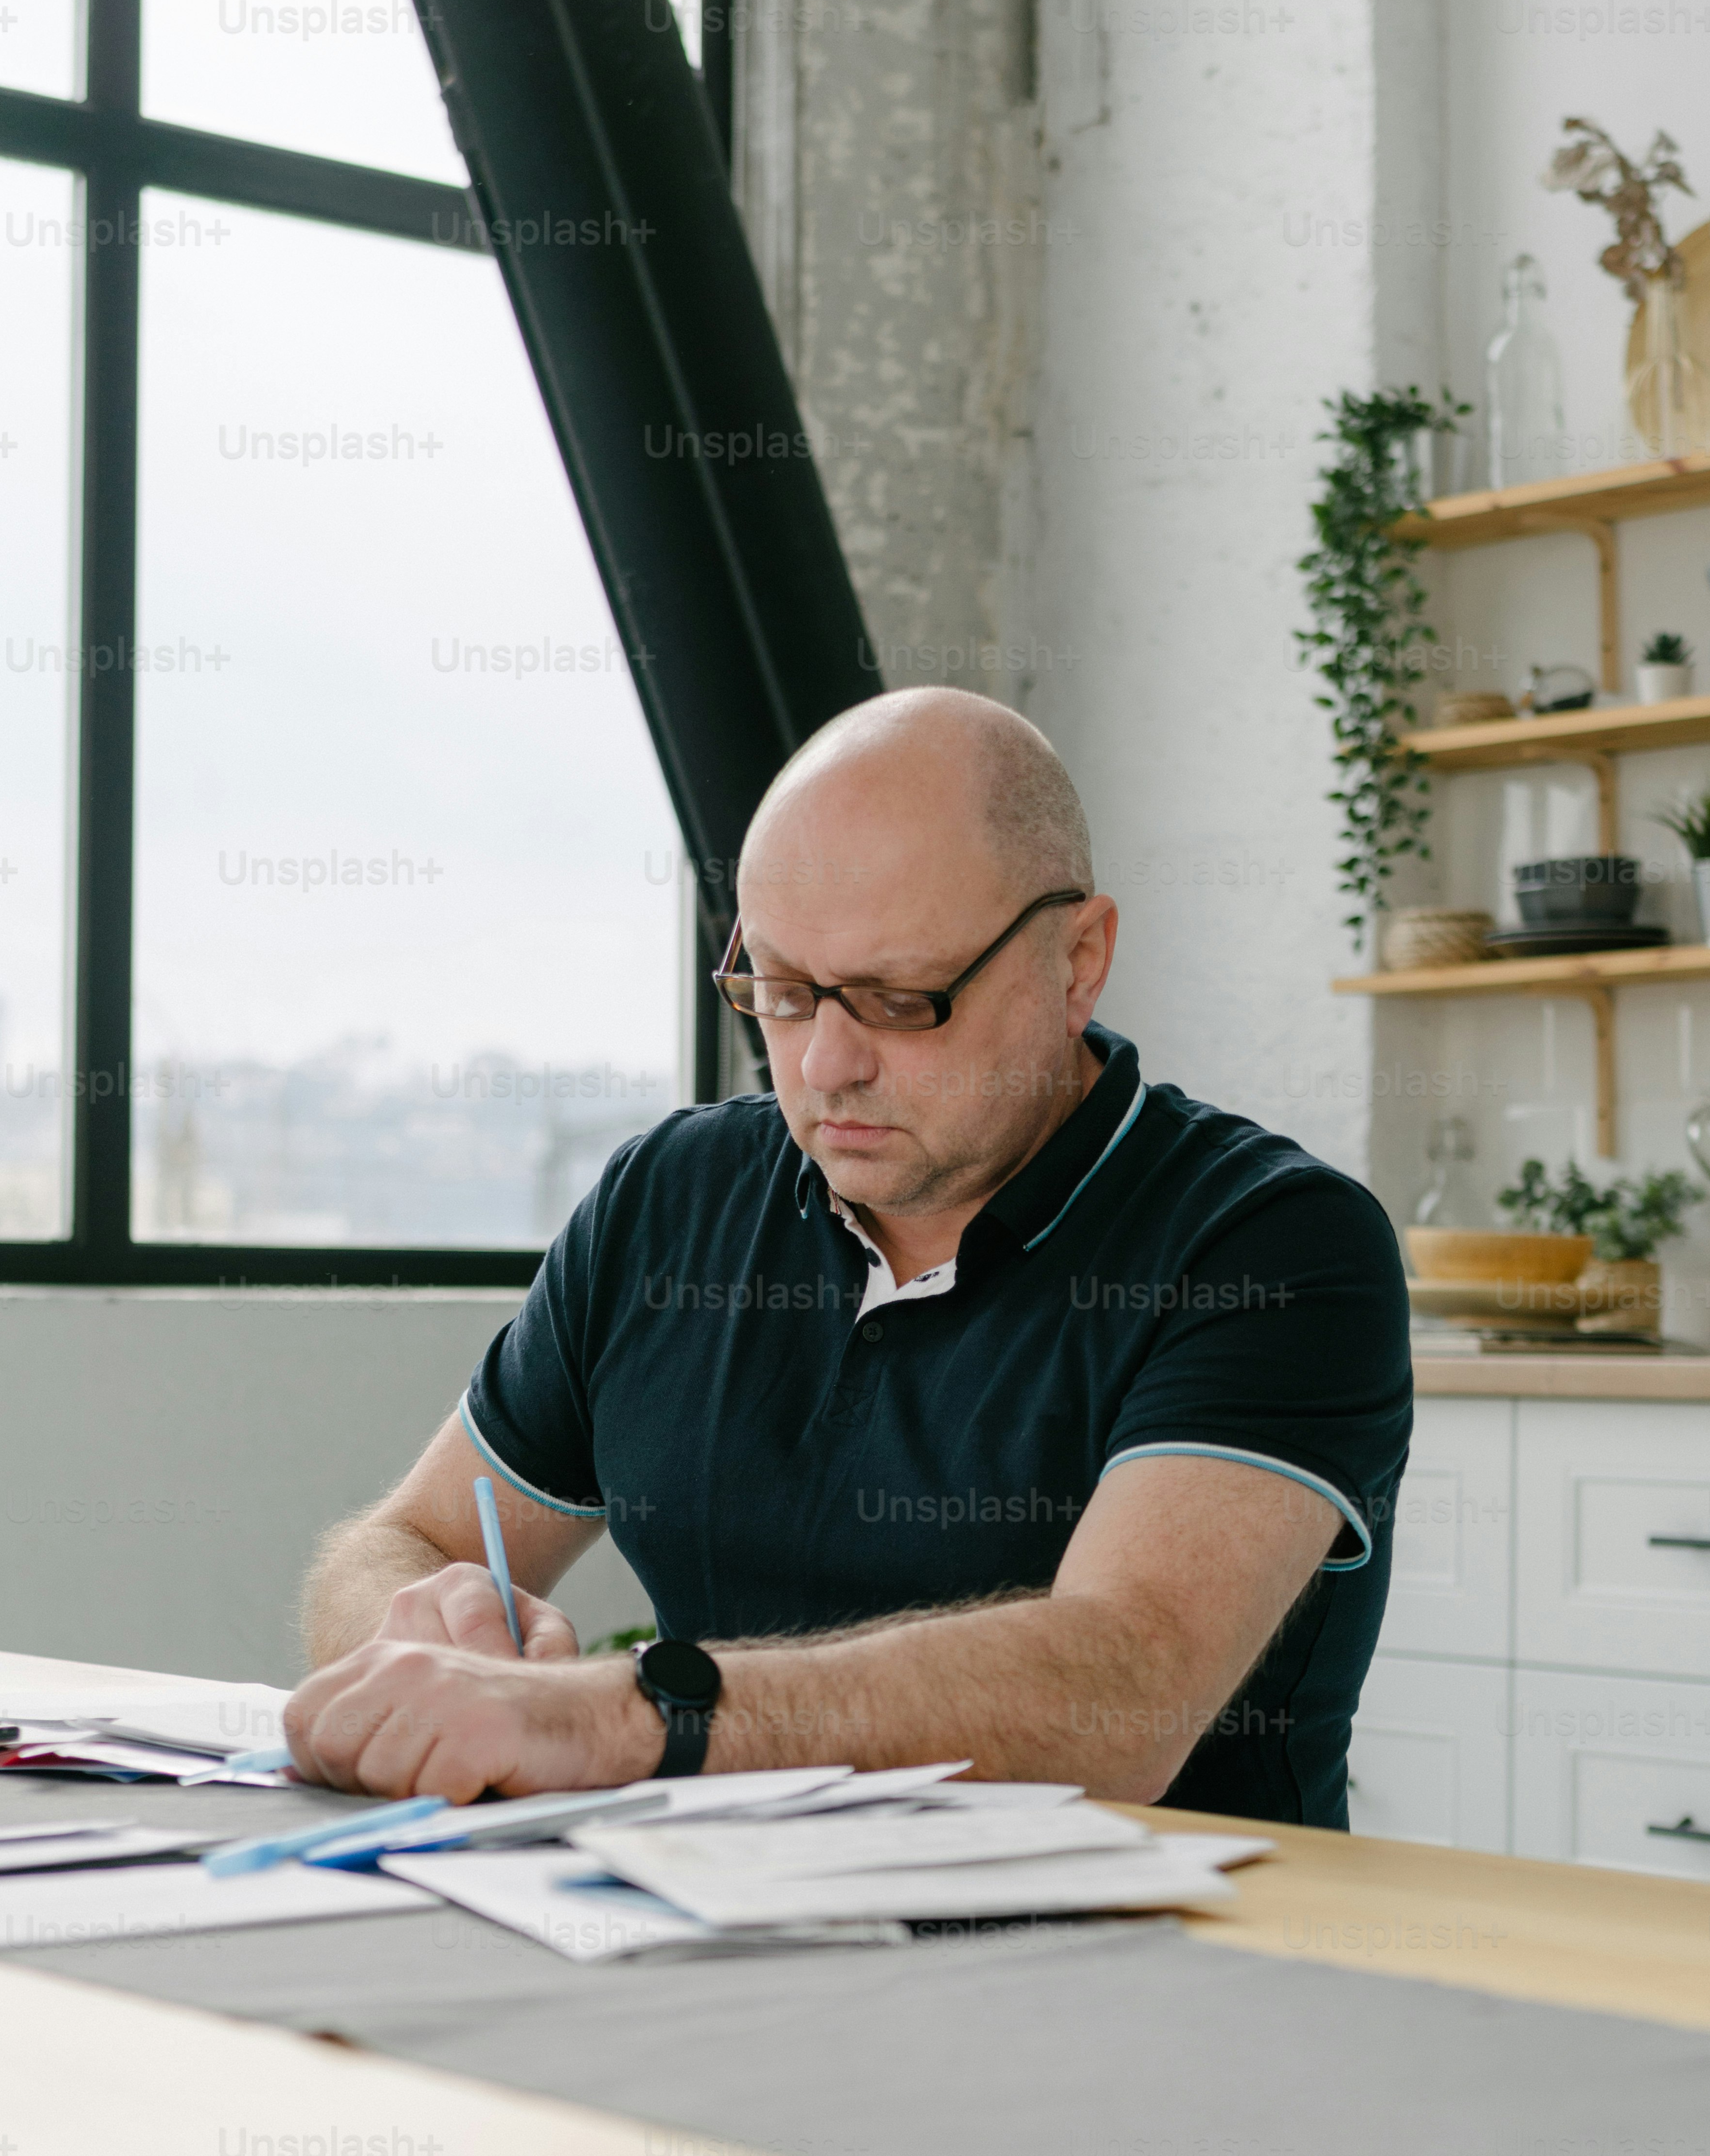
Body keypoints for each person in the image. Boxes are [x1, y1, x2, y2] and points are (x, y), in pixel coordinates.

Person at [284, 686, 1410, 1815]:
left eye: (898, 1000)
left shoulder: (1271, 1246)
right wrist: (426, 1625)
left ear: (1078, 961)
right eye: (779, 991)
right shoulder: (667, 1201)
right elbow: (412, 1537)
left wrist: (619, 1716)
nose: (824, 1065)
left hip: (1152, 1960)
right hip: (719, 1932)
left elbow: (1119, 1690)